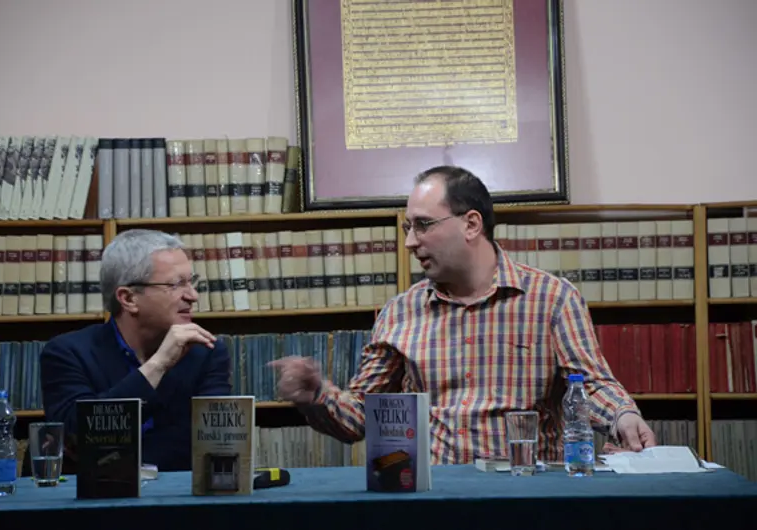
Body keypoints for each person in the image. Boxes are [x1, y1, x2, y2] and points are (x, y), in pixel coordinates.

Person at [270, 165, 656, 464]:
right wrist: (316, 394)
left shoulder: (552, 299)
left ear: (471, 224)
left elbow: (590, 384)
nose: (410, 242)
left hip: (528, 498)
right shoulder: (399, 313)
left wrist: (622, 416)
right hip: (436, 503)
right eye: (407, 228)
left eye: (423, 225)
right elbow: (360, 417)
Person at [39, 229, 231, 471]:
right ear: (129, 299)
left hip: (177, 492)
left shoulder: (207, 352)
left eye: (191, 282)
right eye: (176, 284)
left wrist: (102, 448)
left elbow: (214, 443)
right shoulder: (66, 353)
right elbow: (76, 430)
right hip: (95, 494)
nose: (193, 296)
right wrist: (157, 365)